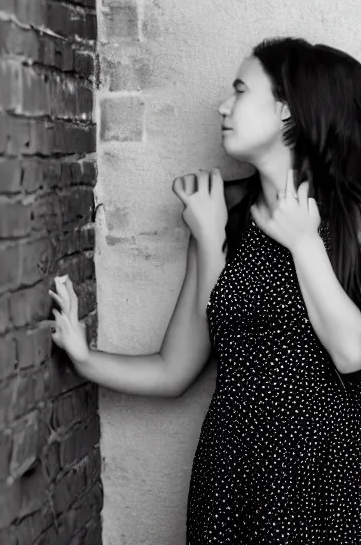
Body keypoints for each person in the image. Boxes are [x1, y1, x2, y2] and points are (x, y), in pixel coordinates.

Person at [48, 37, 361, 543]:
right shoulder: (221, 220)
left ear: (286, 110)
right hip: (231, 482)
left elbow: (352, 352)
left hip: (324, 482)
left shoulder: (349, 217)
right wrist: (85, 359)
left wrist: (304, 242)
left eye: (240, 91)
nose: (222, 105)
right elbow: (176, 370)